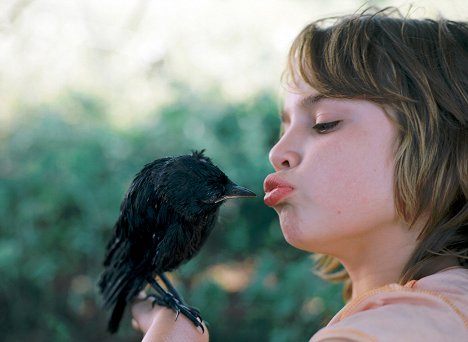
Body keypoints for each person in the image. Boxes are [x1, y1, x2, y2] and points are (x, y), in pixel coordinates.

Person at [131, 7, 468, 341]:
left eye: (324, 123)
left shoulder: (409, 324)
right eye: (286, 124)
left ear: (443, 146)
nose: (277, 153)